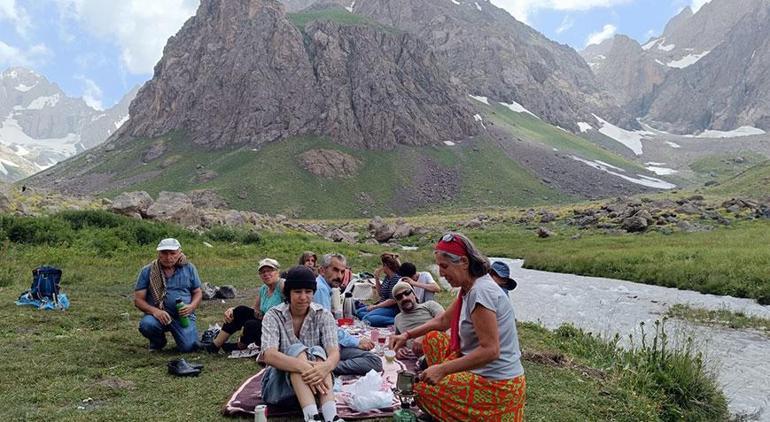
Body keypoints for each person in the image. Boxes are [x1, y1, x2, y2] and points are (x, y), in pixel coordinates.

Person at [389, 232, 526, 421]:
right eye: (439, 267)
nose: (441, 273)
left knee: (421, 390)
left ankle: (460, 411)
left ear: (464, 262)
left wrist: (442, 370)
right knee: (433, 338)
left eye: (444, 266)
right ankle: (448, 404)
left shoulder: (481, 292)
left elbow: (491, 351)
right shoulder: (469, 288)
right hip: (481, 367)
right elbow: (443, 321)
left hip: (497, 382)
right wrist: (406, 334)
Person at [261, 266, 344, 422]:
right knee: (297, 350)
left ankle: (330, 416)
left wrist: (325, 367)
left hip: (317, 387)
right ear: (289, 293)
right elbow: (269, 355)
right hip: (279, 389)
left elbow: (334, 352)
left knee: (319, 351)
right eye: (297, 292)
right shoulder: (273, 315)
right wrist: (303, 366)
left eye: (308, 292)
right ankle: (312, 416)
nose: (303, 297)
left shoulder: (323, 315)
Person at [314, 253, 382, 376]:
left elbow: (327, 323)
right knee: (374, 361)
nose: (339, 276)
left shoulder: (323, 287)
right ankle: (328, 367)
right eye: (335, 270)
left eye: (342, 272)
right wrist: (356, 342)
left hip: (325, 342)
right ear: (322, 270)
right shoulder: (320, 289)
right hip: (322, 346)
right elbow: (326, 328)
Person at [134, 238, 202, 352]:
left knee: (189, 348)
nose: (168, 257)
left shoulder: (189, 268)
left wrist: (191, 307)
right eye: (164, 253)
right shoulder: (148, 271)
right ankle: (158, 342)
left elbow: (197, 292)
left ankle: (185, 338)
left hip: (183, 316)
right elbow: (138, 300)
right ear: (158, 254)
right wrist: (156, 312)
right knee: (147, 325)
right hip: (158, 316)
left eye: (172, 253)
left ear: (179, 253)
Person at [207, 258, 284, 354]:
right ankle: (214, 346)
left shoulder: (282, 286)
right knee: (240, 311)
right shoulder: (264, 289)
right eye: (262, 272)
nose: (266, 274)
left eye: (270, 270)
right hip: (265, 322)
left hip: (277, 329)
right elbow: (253, 310)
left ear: (277, 271)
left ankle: (240, 345)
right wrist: (233, 310)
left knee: (251, 325)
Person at [391, 280, 444, 359]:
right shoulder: (397, 318)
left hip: (438, 346)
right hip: (418, 356)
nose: (404, 298)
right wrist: (399, 349)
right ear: (397, 302)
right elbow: (398, 340)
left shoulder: (429, 305)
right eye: (399, 297)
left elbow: (445, 321)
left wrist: (424, 337)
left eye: (407, 293)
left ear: (414, 294)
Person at [355, 252, 401, 327]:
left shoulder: (395, 278)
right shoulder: (387, 277)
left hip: (391, 308)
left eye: (382, 265)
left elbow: (393, 300)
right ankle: (378, 318)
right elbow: (380, 293)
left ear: (385, 266)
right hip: (382, 305)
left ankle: (395, 320)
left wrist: (375, 307)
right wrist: (376, 278)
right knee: (359, 312)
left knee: (367, 318)